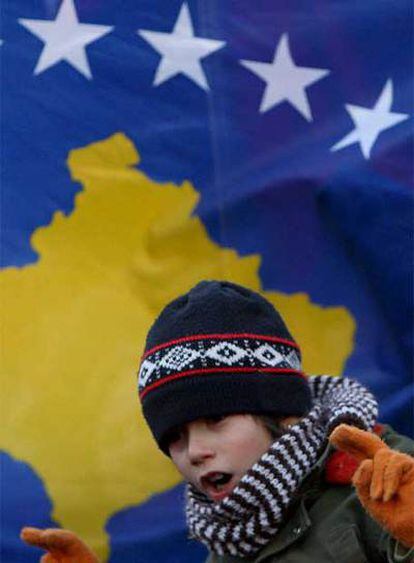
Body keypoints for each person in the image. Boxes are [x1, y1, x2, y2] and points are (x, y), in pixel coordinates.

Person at [21, 281, 414, 562]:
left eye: (216, 419)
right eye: (174, 436)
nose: (194, 452)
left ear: (283, 413)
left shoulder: (388, 480)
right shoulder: (231, 535)